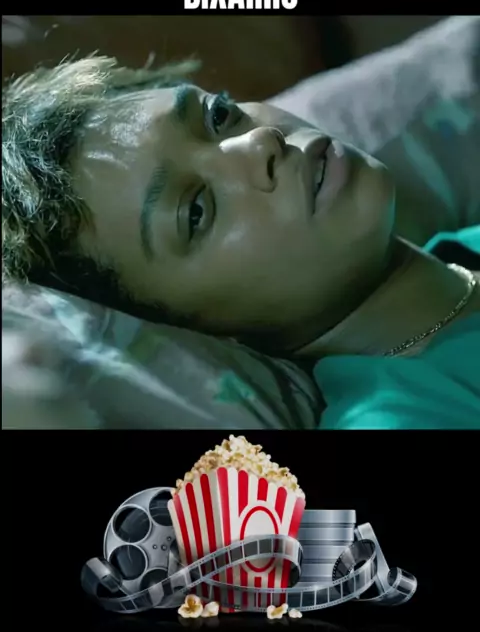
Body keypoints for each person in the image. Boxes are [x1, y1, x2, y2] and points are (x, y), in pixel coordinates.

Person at [3, 55, 480, 429]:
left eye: (219, 116)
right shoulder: (408, 417)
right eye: (196, 211)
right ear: (198, 331)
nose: (260, 143)